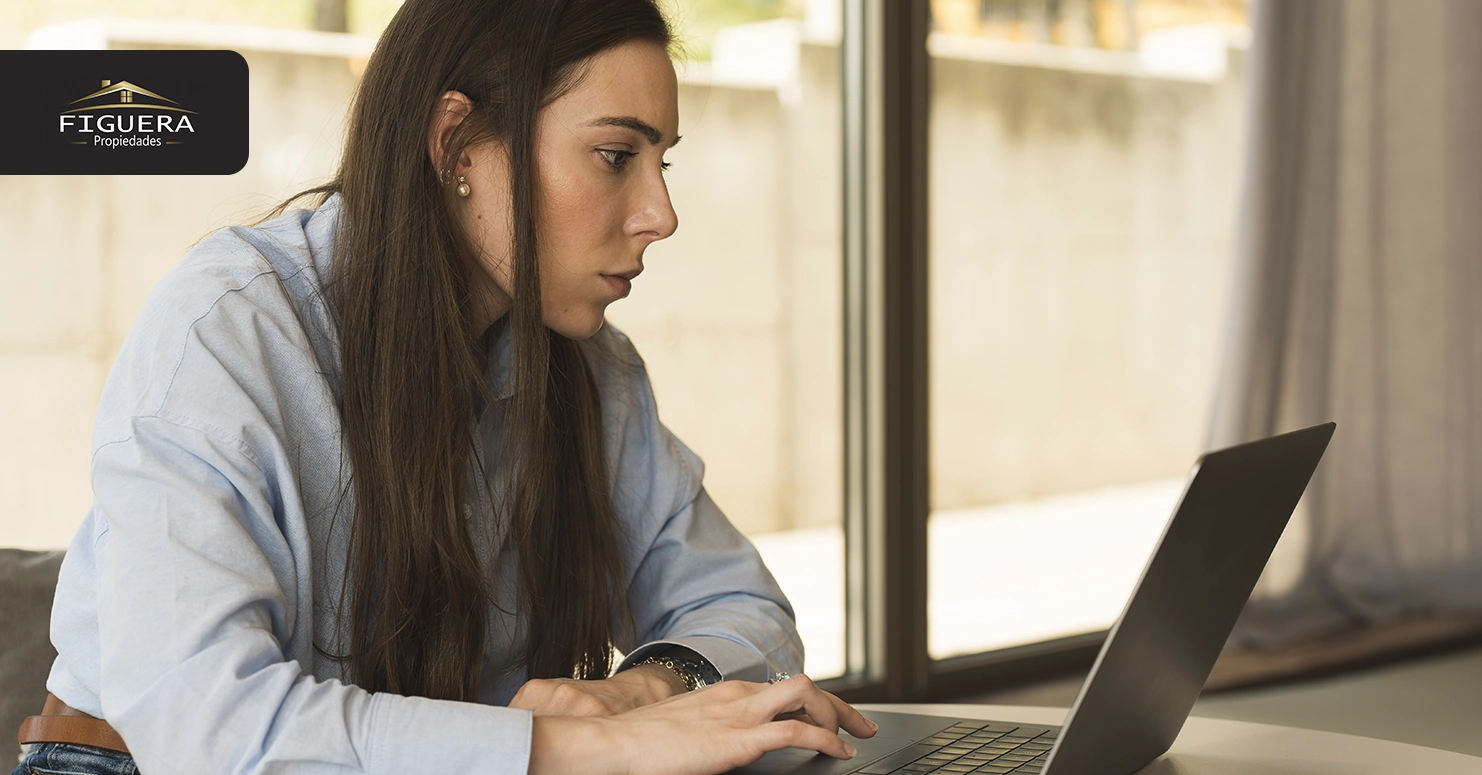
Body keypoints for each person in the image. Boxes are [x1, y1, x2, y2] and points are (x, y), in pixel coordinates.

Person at [12, 0, 876, 773]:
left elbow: (743, 604)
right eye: (616, 155)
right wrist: (584, 745)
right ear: (456, 145)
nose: (661, 212)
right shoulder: (228, 330)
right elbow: (209, 727)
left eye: (663, 163)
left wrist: (648, 690)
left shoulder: (586, 367)